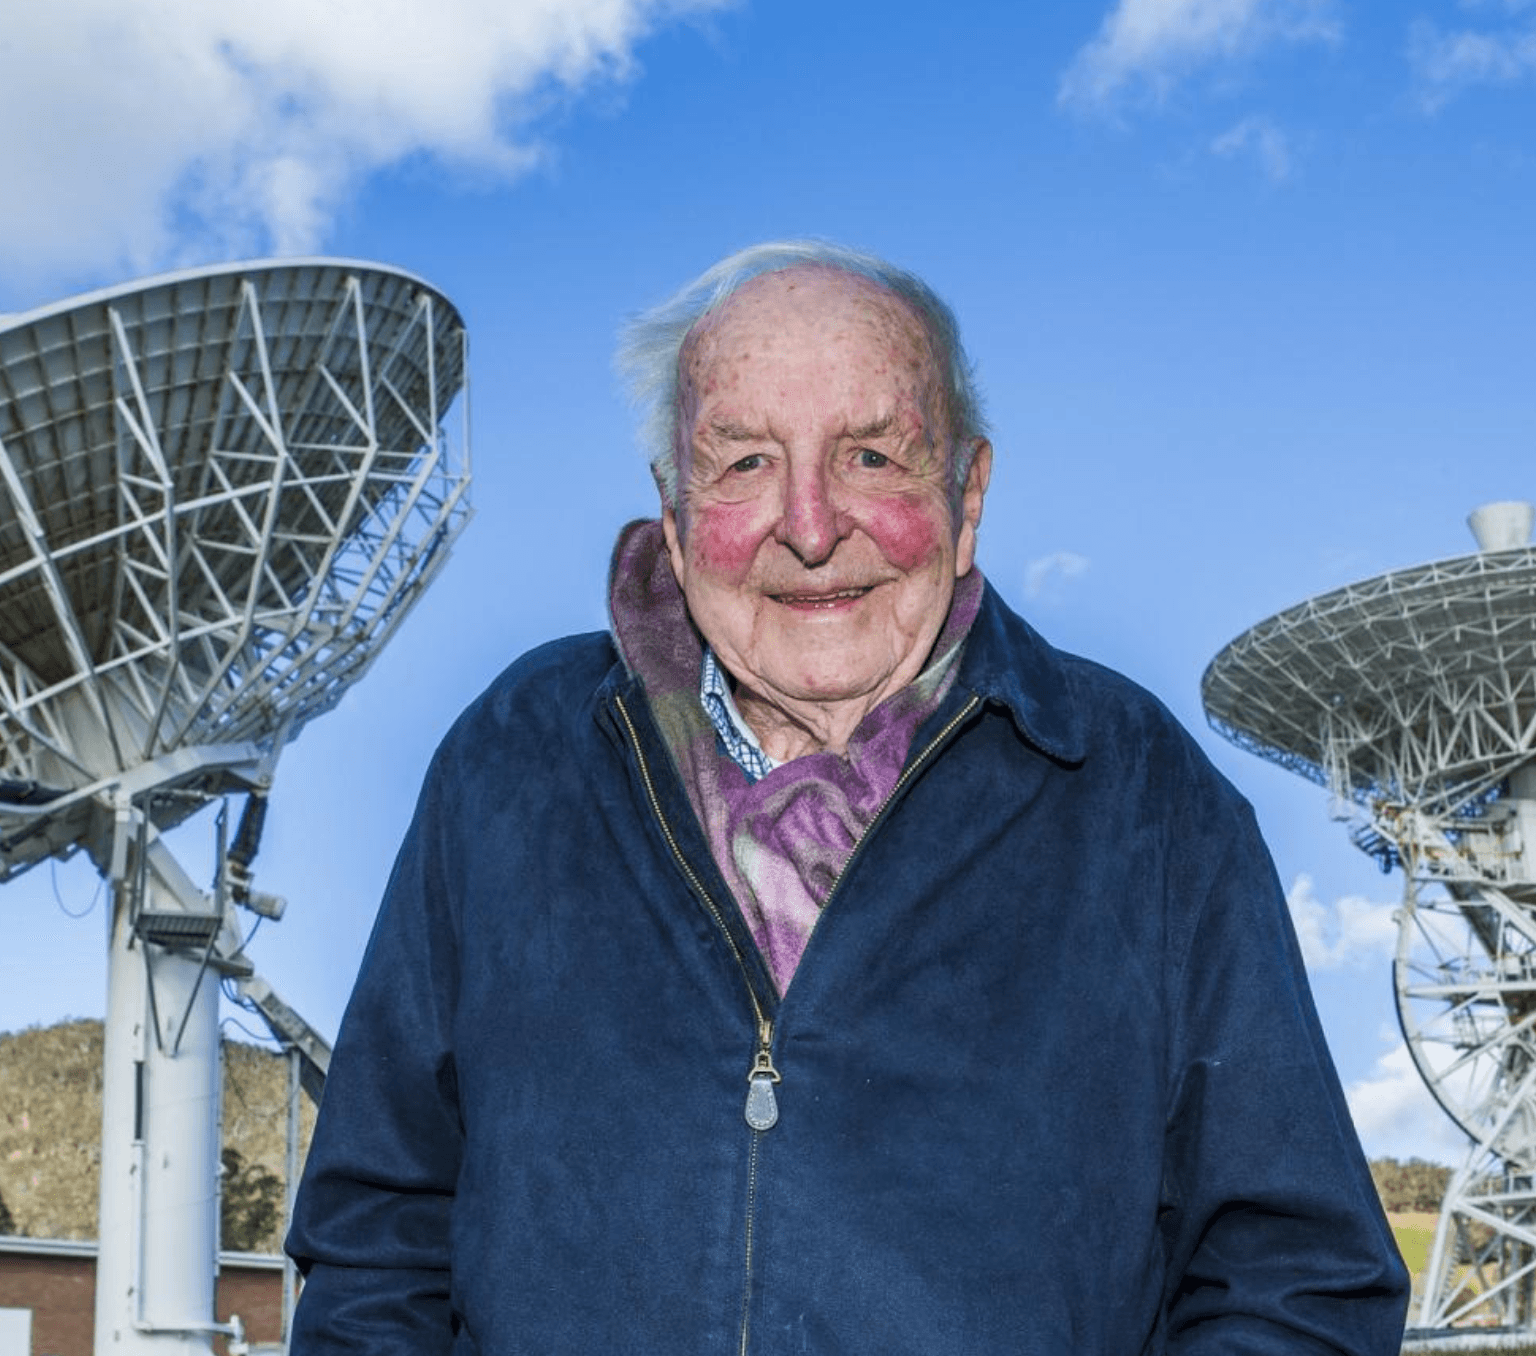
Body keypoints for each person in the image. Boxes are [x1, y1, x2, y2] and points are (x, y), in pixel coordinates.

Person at [286, 241, 1408, 1353]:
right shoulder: (514, 762)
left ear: (968, 496)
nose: (813, 527)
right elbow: (378, 1238)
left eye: (874, 455)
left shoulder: (1144, 801)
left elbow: (1294, 1282)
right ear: (674, 519)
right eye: (742, 464)